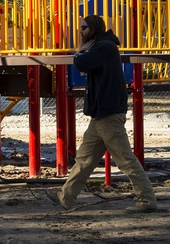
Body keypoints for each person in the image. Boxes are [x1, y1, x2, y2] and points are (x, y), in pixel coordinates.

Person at [47, 14, 158, 214]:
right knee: (85, 159)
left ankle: (147, 200)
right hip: (100, 115)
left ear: (94, 29)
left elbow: (80, 62)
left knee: (125, 159)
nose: (81, 32)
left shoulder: (104, 47)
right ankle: (66, 197)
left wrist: (81, 50)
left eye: (84, 28)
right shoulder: (101, 46)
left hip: (108, 114)